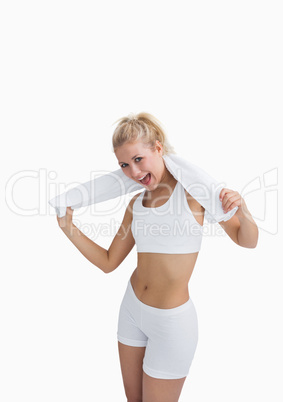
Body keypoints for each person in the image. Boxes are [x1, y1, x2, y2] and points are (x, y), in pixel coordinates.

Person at [57, 112, 258, 402]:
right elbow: (109, 262)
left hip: (172, 323)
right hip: (131, 312)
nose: (133, 172)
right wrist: (68, 228)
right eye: (124, 165)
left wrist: (244, 210)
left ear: (158, 148)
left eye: (138, 159)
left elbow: (246, 241)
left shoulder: (194, 195)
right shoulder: (135, 204)